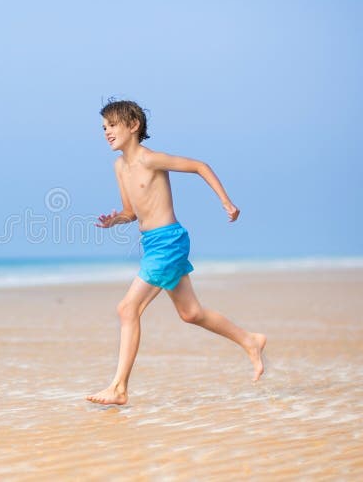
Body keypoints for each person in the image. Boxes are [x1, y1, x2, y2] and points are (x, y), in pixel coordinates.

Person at [85, 99, 267, 406]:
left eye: (113, 125)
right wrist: (115, 220)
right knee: (191, 313)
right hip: (153, 244)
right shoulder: (119, 167)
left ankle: (118, 388)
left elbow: (199, 166)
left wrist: (226, 202)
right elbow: (132, 211)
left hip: (169, 241)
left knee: (127, 309)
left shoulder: (150, 159)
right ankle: (251, 340)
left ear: (133, 126)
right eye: (103, 127)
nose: (107, 131)